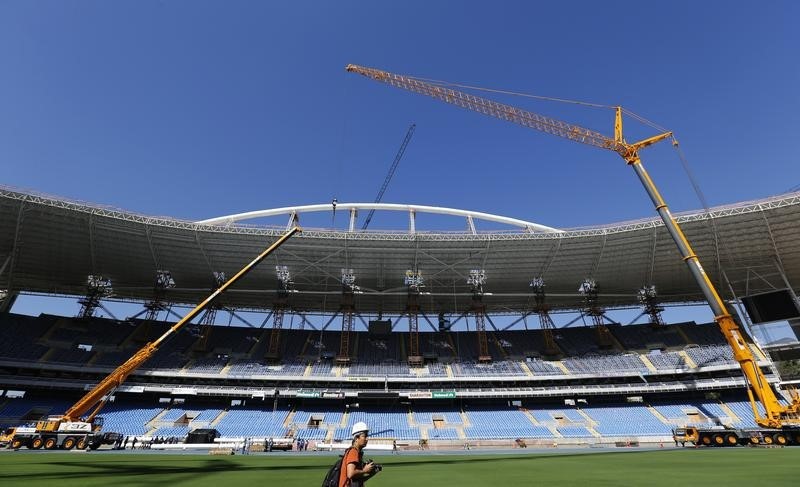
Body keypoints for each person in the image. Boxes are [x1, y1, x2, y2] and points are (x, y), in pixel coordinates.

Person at [339, 422, 379, 487]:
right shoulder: (353, 452)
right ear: (356, 438)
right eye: (364, 436)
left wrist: (371, 473)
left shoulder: (357, 452)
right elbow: (350, 474)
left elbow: (358, 481)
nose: (367, 439)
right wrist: (364, 470)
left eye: (367, 436)